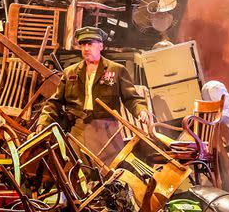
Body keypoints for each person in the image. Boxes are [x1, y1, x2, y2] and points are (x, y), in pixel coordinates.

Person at [36, 26, 148, 163]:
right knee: (78, 171)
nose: (86, 48)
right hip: (78, 129)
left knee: (111, 172)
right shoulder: (70, 72)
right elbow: (55, 102)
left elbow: (131, 99)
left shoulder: (116, 70)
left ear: (101, 46)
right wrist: (43, 122)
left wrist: (141, 111)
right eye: (83, 44)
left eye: (90, 44)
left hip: (106, 130)